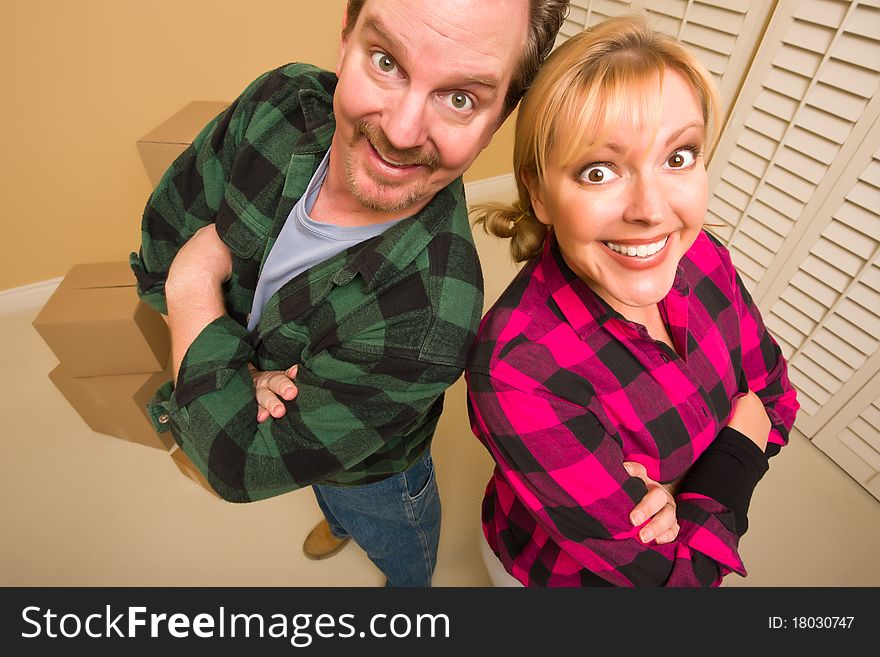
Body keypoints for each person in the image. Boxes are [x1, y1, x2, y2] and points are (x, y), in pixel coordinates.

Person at [129, 0, 570, 587]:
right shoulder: (277, 104)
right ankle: (336, 520)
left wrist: (194, 283)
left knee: (393, 536)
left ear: (499, 119)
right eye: (387, 61)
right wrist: (235, 369)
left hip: (375, 473)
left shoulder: (435, 315)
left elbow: (234, 461)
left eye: (461, 98)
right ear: (345, 39)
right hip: (301, 428)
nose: (400, 131)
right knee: (317, 482)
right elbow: (158, 250)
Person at [466, 14, 800, 587]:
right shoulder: (516, 372)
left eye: (678, 157)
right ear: (539, 192)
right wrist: (735, 453)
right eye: (600, 170)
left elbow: (775, 397)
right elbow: (678, 580)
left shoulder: (701, 256)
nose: (651, 210)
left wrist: (687, 493)